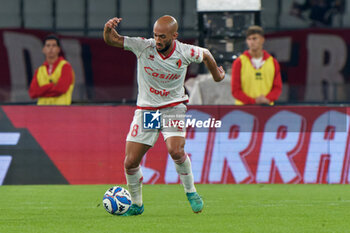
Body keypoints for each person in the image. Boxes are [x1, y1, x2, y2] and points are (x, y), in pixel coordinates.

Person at [104, 15, 225, 216]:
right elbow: (113, 40)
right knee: (130, 162)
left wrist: (217, 76)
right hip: (147, 111)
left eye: (162, 37)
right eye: (155, 35)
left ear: (174, 36)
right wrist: (108, 29)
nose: (158, 40)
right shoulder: (144, 47)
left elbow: (206, 54)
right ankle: (137, 205)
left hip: (172, 108)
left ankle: (191, 192)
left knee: (176, 151)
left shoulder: (185, 51)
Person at [231, 25, 282, 105]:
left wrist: (266, 99)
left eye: (254, 38)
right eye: (249, 39)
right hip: (243, 109)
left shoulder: (273, 62)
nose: (251, 42)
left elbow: (277, 88)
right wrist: (253, 101)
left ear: (262, 40)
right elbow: (235, 90)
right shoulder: (239, 62)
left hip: (266, 109)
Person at [29, 34, 75, 105]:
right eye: (48, 46)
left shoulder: (65, 66)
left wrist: (42, 92)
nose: (51, 48)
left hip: (60, 111)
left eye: (54, 46)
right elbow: (32, 93)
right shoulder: (39, 70)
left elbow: (61, 89)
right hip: (41, 111)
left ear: (58, 49)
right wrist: (51, 85)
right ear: (43, 49)